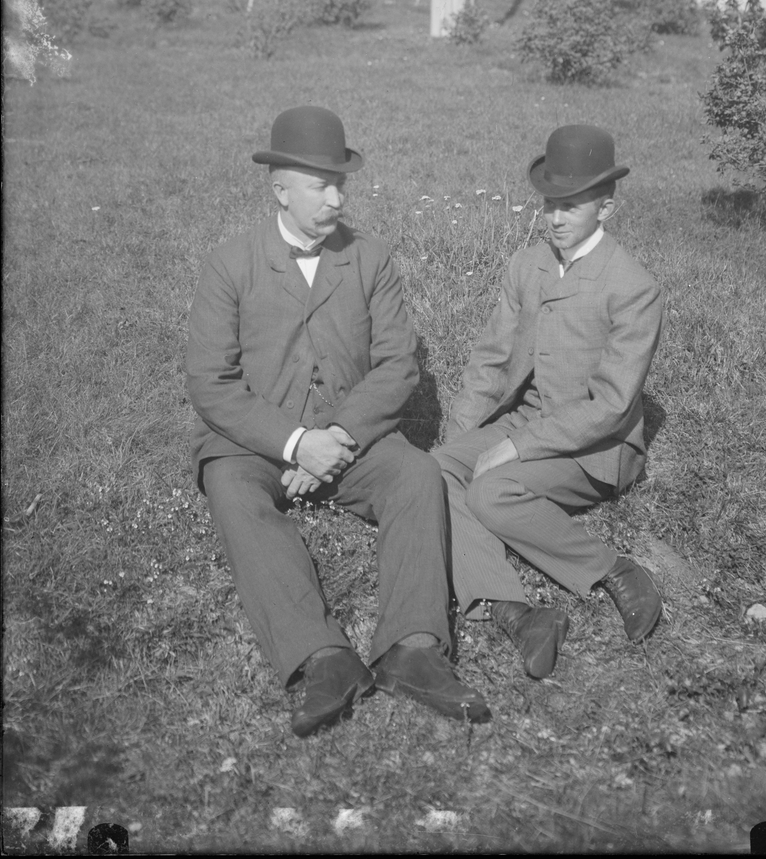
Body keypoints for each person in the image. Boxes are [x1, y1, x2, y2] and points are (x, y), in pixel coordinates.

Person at [187, 106, 490, 737]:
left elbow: (397, 367)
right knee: (233, 490)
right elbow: (211, 385)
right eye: (320, 184)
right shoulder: (230, 264)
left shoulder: (371, 259)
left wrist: (339, 438)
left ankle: (413, 647)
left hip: (351, 438)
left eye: (341, 183)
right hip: (257, 441)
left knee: (415, 475)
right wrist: (296, 444)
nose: (335, 197)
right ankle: (323, 657)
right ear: (280, 191)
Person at [433, 124, 664, 680]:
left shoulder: (633, 286)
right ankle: (519, 611)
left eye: (571, 206)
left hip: (596, 448)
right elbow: (491, 360)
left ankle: (615, 570)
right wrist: (459, 439)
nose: (556, 218)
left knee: (490, 493)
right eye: (549, 204)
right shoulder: (526, 264)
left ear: (605, 208)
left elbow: (610, 405)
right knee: (433, 471)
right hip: (529, 417)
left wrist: (514, 446)